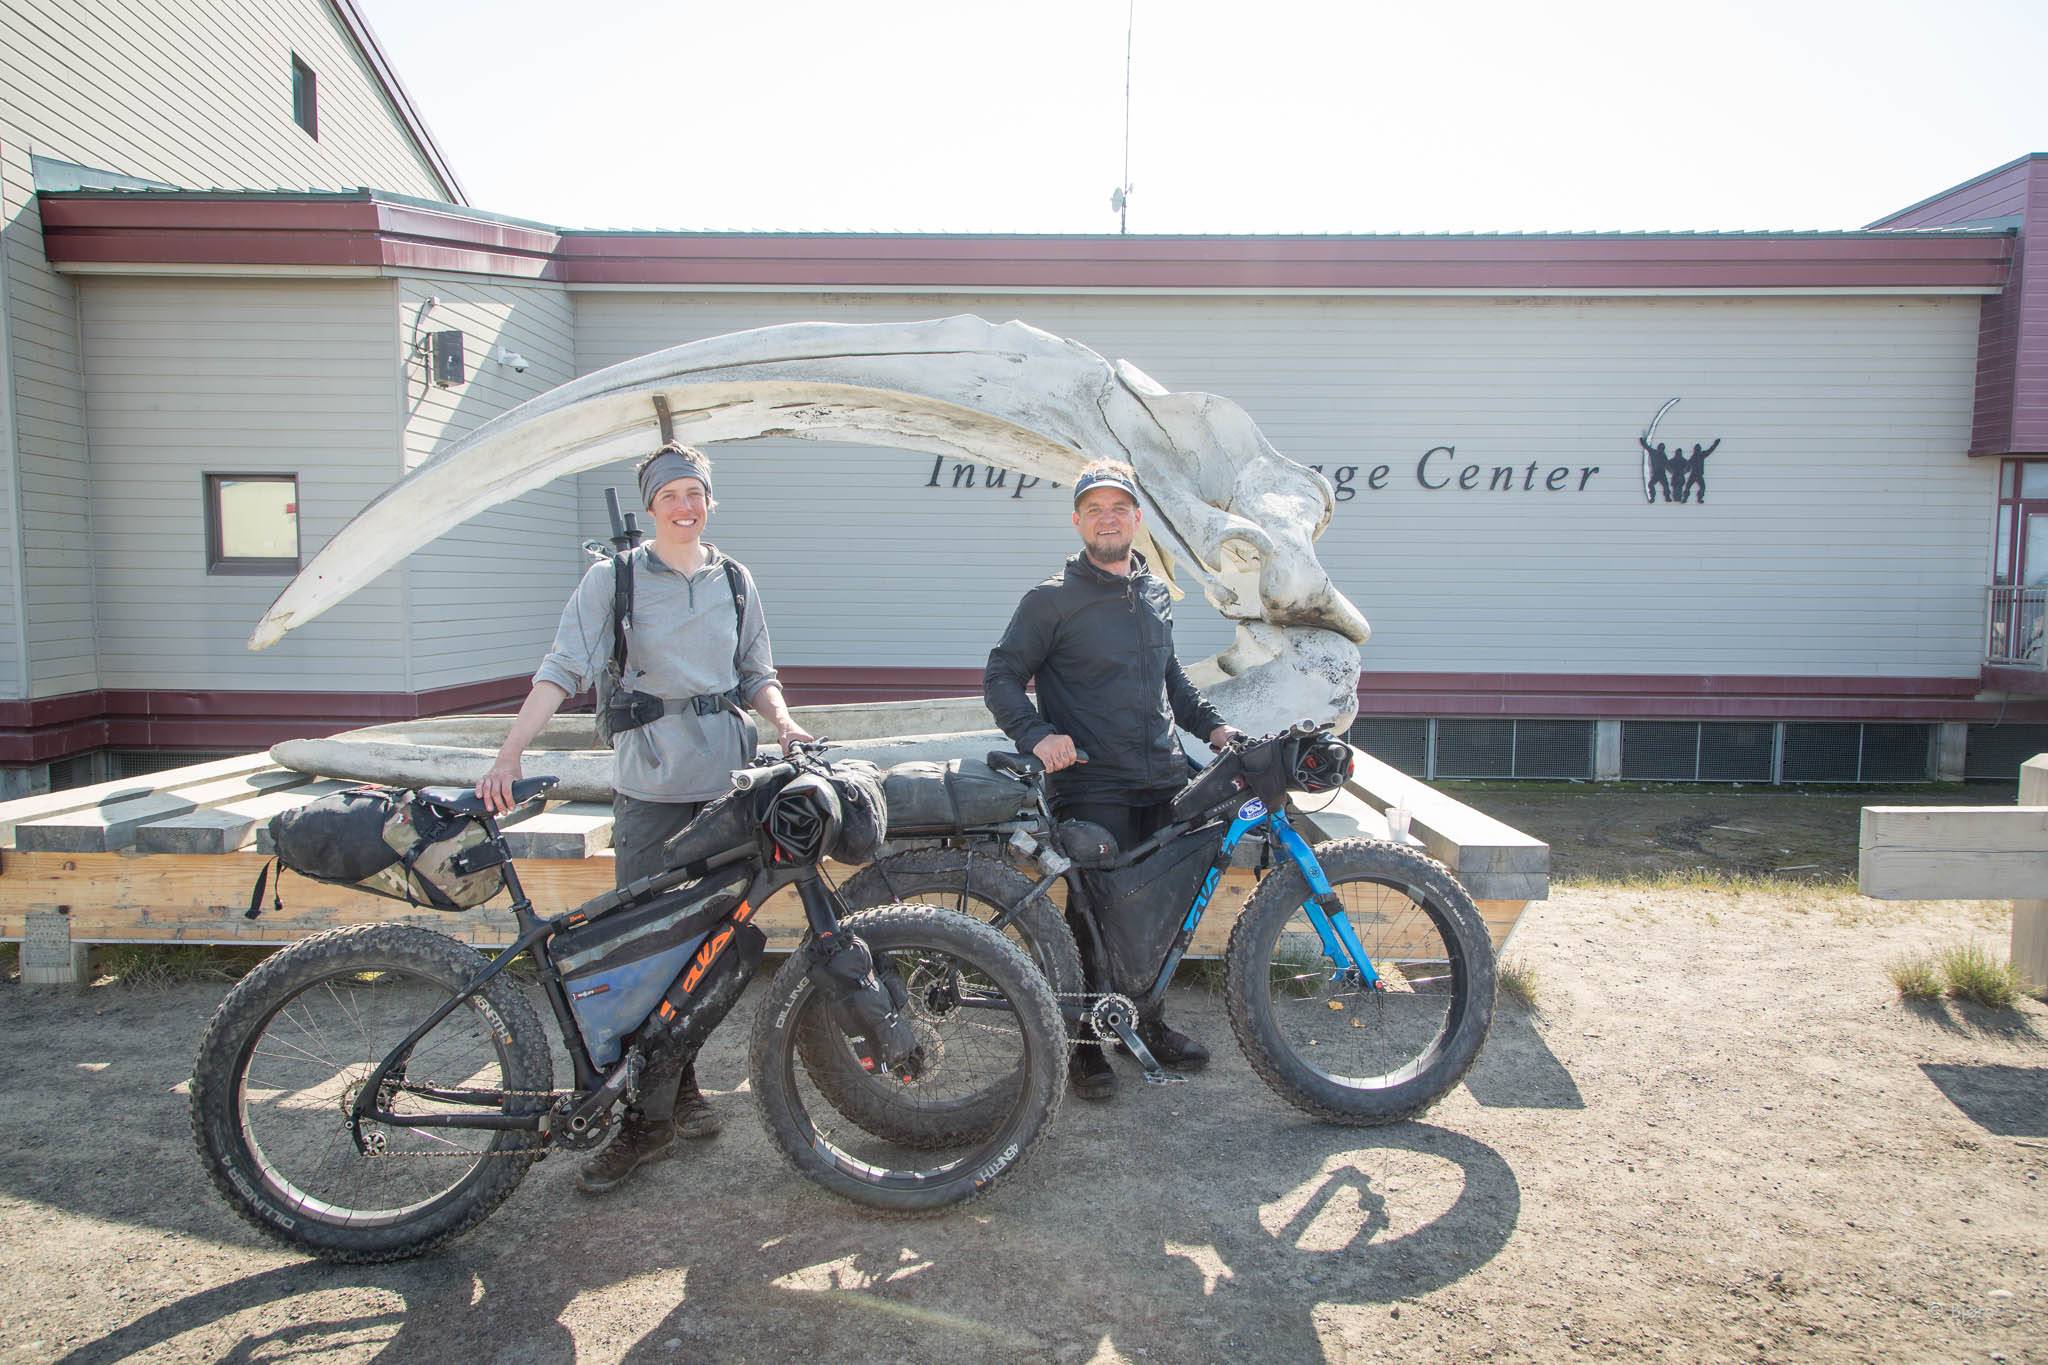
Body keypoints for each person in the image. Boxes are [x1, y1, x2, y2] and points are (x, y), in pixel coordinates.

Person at [476, 443, 812, 1193]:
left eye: (696, 493)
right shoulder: (614, 579)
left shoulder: (734, 579)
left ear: (709, 500)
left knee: (710, 947)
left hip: (727, 789)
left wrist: (785, 724)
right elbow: (560, 668)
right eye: (672, 497)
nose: (686, 507)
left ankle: (676, 1088)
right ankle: (641, 1116)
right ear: (651, 506)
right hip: (652, 792)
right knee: (642, 956)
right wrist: (507, 756)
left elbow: (758, 672)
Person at [983, 459, 1243, 1100]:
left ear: (1136, 519)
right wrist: (1038, 736)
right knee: (1094, 915)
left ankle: (1146, 1024)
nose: (1107, 517)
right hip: (1092, 785)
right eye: (1094, 508)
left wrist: (1215, 730)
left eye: (1118, 507)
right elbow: (1001, 675)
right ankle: (1082, 1044)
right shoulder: (1051, 600)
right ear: (1077, 520)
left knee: (1160, 911)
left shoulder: (1153, 594)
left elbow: (1172, 684)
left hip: (1163, 779)